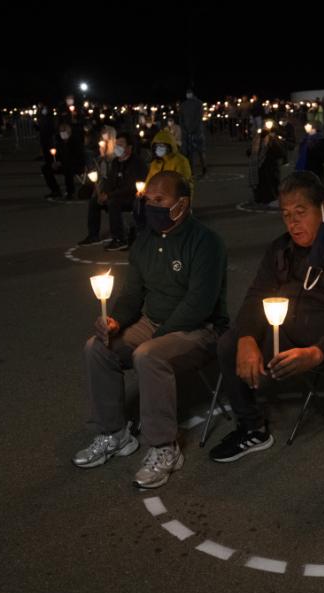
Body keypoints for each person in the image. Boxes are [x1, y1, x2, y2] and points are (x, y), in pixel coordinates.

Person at [212, 171, 324, 510]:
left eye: (300, 211)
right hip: (292, 332)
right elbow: (256, 295)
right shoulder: (281, 250)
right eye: (286, 214)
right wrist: (246, 337)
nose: (292, 222)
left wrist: (319, 353)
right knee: (229, 343)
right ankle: (252, 428)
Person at [74, 171, 228, 490]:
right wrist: (115, 320)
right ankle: (114, 434)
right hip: (154, 323)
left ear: (182, 204)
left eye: (160, 201)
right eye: (148, 200)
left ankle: (164, 447)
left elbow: (198, 305)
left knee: (148, 355)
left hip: (200, 329)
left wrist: (157, 339)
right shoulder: (144, 240)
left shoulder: (206, 242)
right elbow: (133, 295)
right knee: (97, 347)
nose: (151, 206)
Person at [81, 128, 148, 251]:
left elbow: (131, 187)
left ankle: (119, 239)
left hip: (134, 197)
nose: (117, 148)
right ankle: (93, 235)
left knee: (113, 203)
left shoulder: (137, 163)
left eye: (121, 145)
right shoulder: (116, 162)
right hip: (116, 195)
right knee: (94, 201)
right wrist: (103, 193)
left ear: (129, 148)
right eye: (116, 145)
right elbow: (110, 180)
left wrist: (110, 195)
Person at [247, 123, 287, 208]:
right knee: (263, 183)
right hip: (262, 166)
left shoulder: (272, 139)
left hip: (270, 166)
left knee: (270, 183)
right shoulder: (258, 139)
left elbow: (280, 152)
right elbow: (250, 151)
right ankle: (261, 198)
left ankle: (270, 199)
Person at [43, 122, 84, 200]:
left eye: (64, 132)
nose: (63, 134)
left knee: (68, 168)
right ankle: (55, 190)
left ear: (69, 132)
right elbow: (57, 155)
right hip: (63, 164)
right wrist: (54, 162)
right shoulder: (59, 142)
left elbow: (76, 157)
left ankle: (70, 192)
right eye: (61, 132)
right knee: (46, 168)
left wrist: (61, 163)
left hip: (76, 165)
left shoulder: (75, 141)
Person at [179, 89, 208, 177]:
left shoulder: (196, 104)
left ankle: (199, 169)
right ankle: (199, 169)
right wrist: (187, 129)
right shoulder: (194, 104)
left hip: (194, 132)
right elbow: (182, 118)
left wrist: (186, 129)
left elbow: (197, 118)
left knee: (195, 152)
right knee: (195, 152)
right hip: (194, 131)